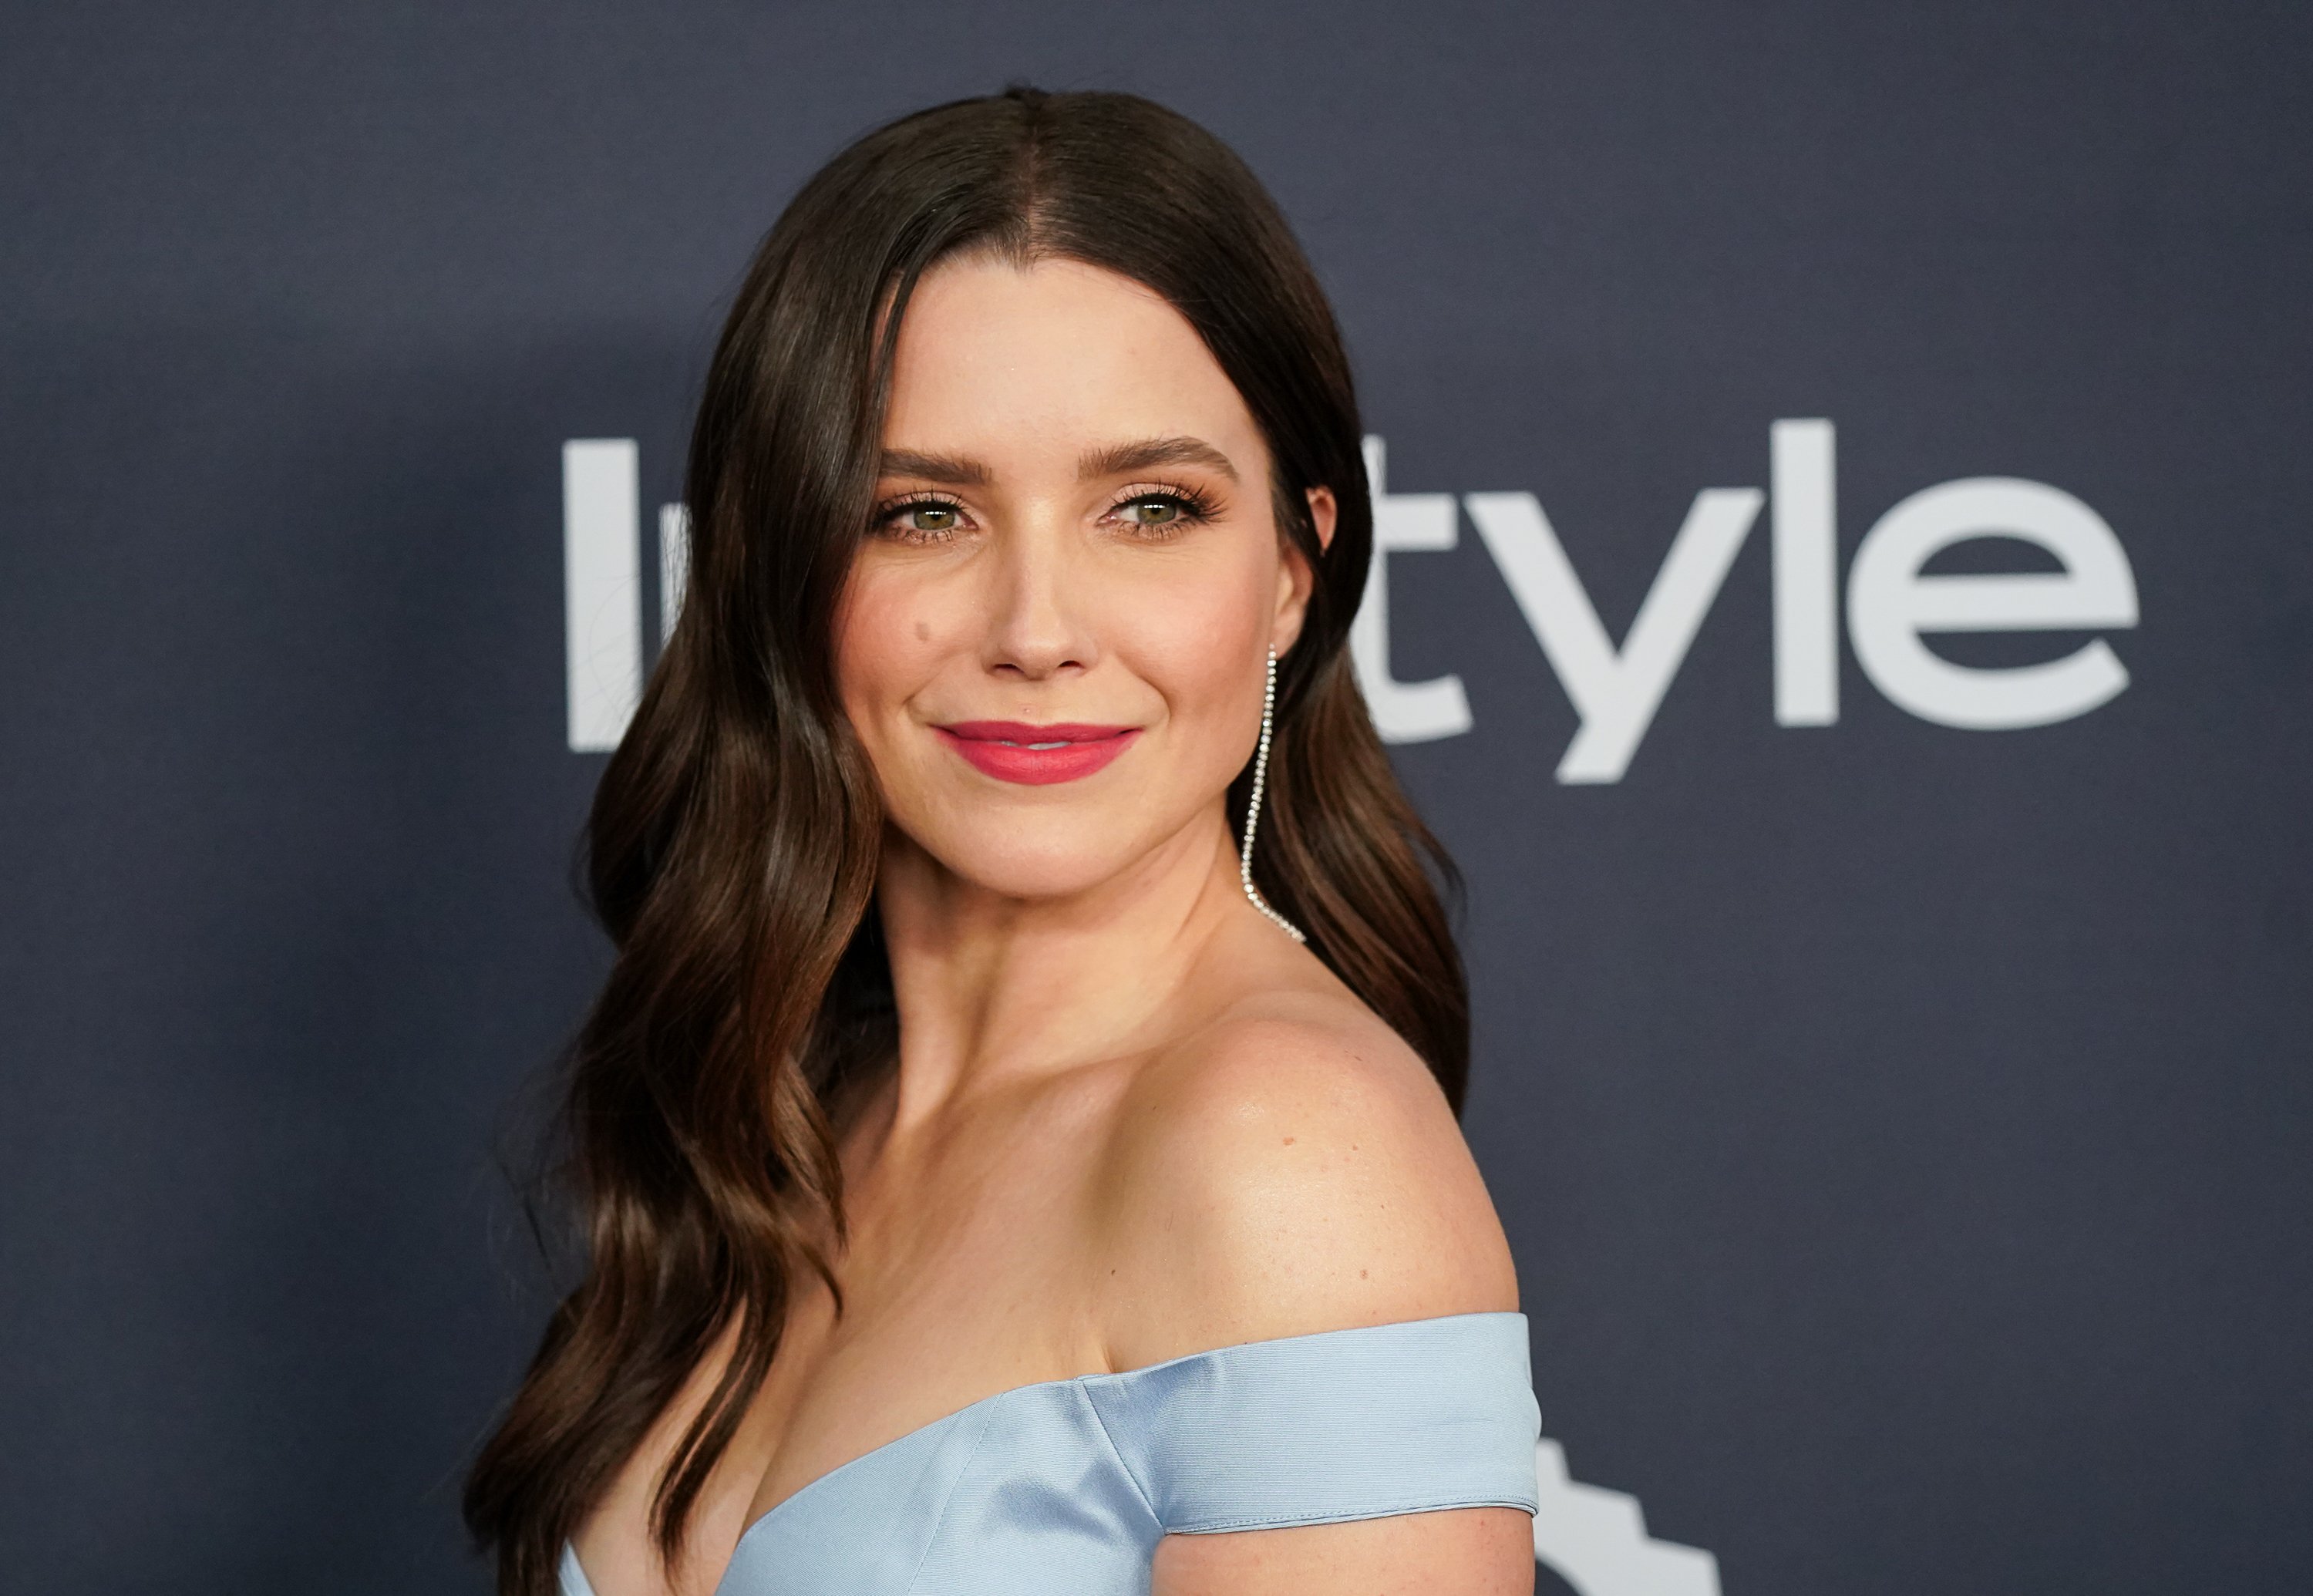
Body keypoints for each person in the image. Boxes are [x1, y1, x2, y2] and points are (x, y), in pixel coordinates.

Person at [466, 86, 1540, 1596]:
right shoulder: (799, 1109)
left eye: (1150, 507)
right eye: (921, 513)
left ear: (1296, 570)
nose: (1037, 631)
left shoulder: (1288, 1149)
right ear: (780, 569)